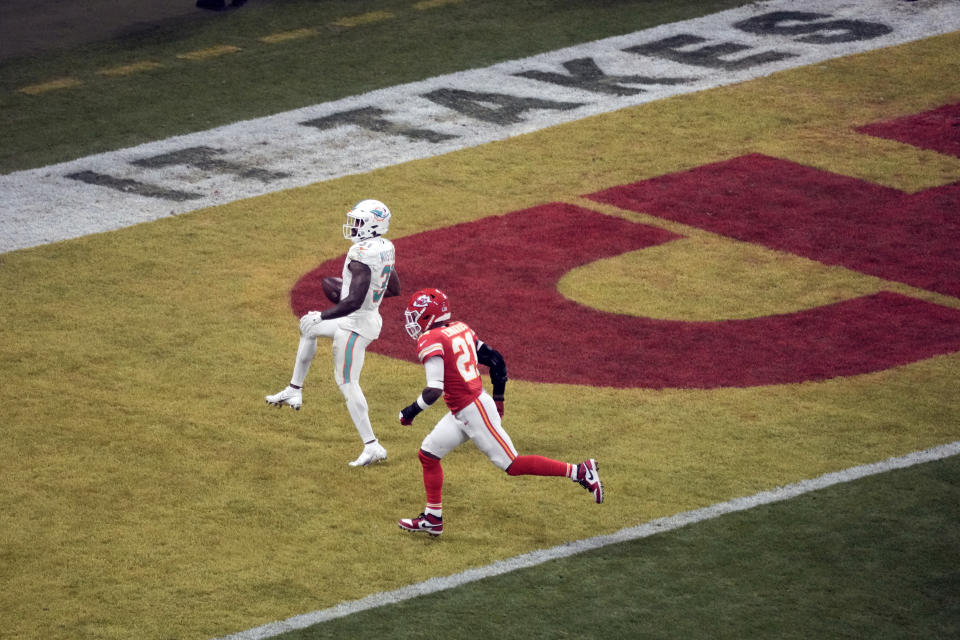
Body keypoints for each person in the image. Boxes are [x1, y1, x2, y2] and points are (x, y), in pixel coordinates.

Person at [395, 288, 603, 537]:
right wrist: (499, 399)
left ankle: (580, 471)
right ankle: (433, 518)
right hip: (465, 409)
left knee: (512, 464)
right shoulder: (460, 328)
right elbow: (496, 359)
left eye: (417, 314)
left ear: (428, 315)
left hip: (472, 409)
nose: (413, 320)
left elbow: (433, 391)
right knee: (428, 454)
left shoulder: (430, 340)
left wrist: (409, 412)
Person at [266, 199, 401, 467]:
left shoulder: (361, 254)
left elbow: (354, 300)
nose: (354, 226)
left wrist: (324, 313)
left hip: (355, 325)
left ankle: (372, 446)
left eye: (360, 222)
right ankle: (294, 389)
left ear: (373, 224)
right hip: (365, 317)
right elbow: (394, 287)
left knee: (348, 383)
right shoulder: (386, 246)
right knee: (308, 326)